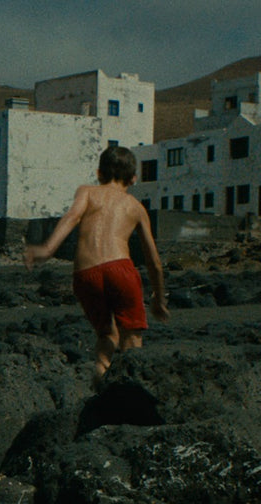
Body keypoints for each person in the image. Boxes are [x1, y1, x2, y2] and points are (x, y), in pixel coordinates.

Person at [23, 145, 168, 386]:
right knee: (131, 338)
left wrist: (47, 249)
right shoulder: (135, 207)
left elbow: (71, 217)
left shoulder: (87, 192)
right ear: (134, 178)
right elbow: (153, 261)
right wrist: (159, 299)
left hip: (85, 273)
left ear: (99, 173)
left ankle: (100, 375)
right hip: (120, 268)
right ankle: (129, 390)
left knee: (106, 333)